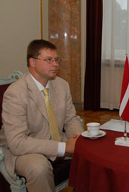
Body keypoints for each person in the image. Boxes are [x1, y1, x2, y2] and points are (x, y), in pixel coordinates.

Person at [0, 39, 84, 192]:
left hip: (56, 138)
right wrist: (63, 147)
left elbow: (71, 119)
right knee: (39, 167)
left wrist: (78, 139)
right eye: (48, 60)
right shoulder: (16, 93)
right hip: (24, 151)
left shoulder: (61, 85)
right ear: (32, 62)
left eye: (56, 59)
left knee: (91, 153)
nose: (55, 64)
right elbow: (17, 143)